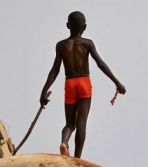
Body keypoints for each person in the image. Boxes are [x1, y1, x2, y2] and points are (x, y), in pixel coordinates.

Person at [40, 11, 126, 158]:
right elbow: (100, 64)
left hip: (69, 82)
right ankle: (77, 158)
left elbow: (55, 70)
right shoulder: (87, 44)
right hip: (84, 82)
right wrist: (117, 82)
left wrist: (44, 91)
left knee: (69, 124)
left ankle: (64, 143)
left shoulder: (61, 45)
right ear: (84, 27)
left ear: (67, 25)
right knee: (82, 123)